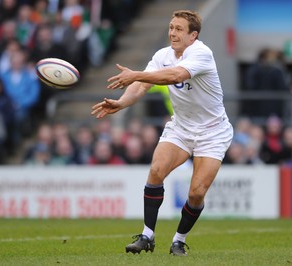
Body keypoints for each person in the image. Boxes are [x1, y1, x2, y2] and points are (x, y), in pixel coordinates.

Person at [91, 10, 233, 256]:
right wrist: (122, 103)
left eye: (179, 29)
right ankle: (147, 235)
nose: (172, 33)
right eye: (170, 27)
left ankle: (179, 240)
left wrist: (135, 73)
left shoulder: (201, 53)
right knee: (156, 171)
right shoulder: (162, 55)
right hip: (181, 127)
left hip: (213, 132)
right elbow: (143, 85)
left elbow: (175, 75)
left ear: (193, 36)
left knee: (197, 192)